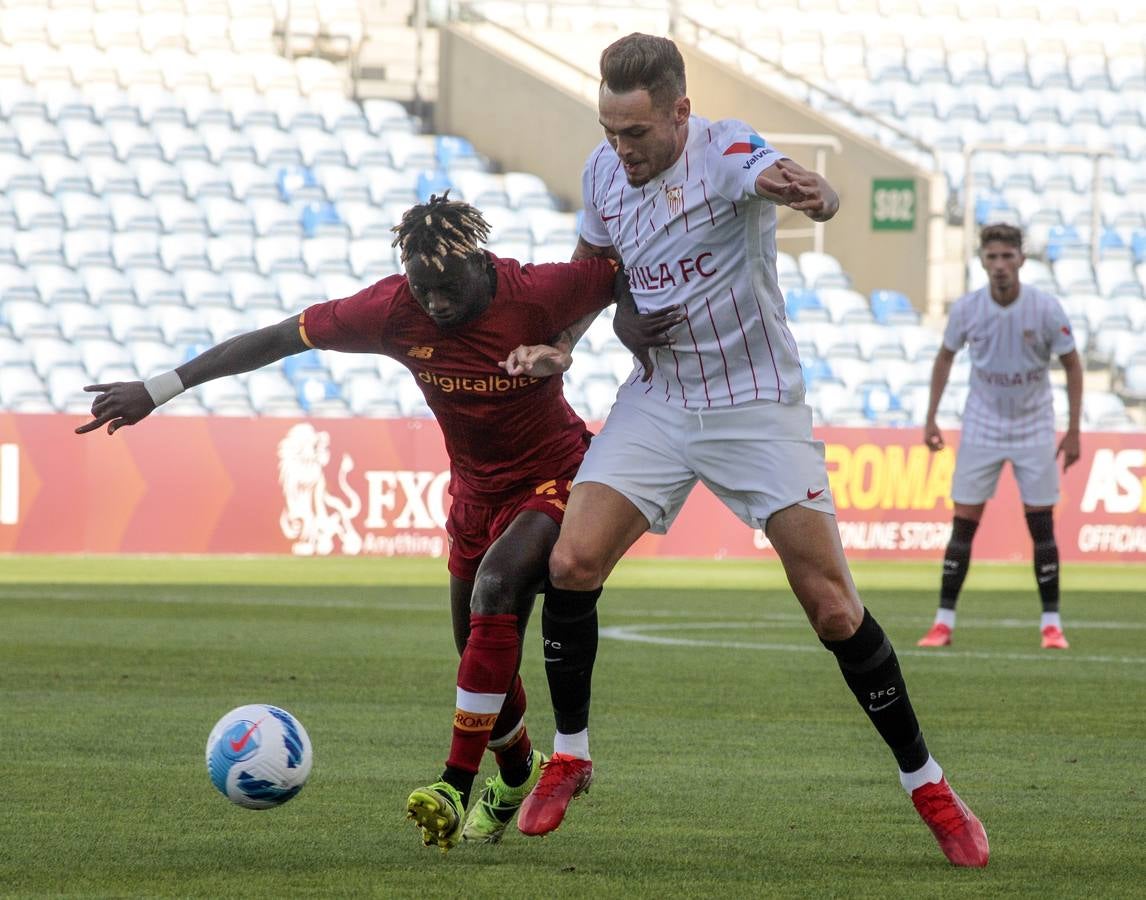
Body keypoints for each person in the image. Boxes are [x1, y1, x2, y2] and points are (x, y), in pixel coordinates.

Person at [501, 33, 989, 867]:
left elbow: (787, 181)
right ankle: (571, 756)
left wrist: (818, 197)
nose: (621, 150)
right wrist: (567, 344)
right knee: (571, 564)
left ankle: (929, 785)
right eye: (610, 131)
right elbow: (591, 272)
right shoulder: (601, 173)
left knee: (833, 606)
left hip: (755, 404)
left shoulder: (724, 147)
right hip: (658, 398)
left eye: (637, 133)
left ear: (680, 113)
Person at [75, 194, 627, 850]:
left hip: (555, 474)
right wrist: (161, 387)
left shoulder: (537, 290)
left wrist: (567, 341)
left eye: (449, 289)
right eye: (425, 290)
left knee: (496, 591)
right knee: (479, 653)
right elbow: (281, 337)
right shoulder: (393, 309)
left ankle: (453, 780)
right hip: (475, 498)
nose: (437, 304)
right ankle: (513, 773)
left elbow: (623, 274)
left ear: (482, 264)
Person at [917, 223, 1082, 651]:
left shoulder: (1045, 308)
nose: (1000, 265)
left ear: (1021, 260)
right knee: (963, 524)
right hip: (983, 424)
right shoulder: (968, 309)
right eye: (992, 258)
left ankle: (1051, 624)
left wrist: (1074, 429)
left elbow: (1073, 364)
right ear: (983, 262)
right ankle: (943, 623)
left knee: (1041, 526)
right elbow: (945, 358)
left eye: (1008, 256)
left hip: (1034, 426)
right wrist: (931, 417)